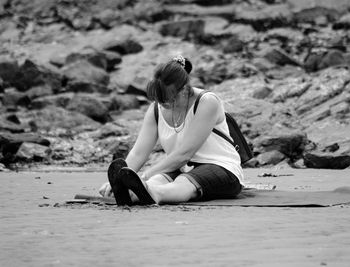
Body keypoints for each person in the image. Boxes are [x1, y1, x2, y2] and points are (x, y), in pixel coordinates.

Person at [99, 55, 244, 205]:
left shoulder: (207, 102)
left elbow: (184, 154)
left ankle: (154, 194)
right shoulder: (156, 108)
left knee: (183, 182)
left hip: (222, 168)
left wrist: (142, 177)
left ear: (183, 90)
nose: (164, 104)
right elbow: (138, 153)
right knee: (158, 179)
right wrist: (119, 181)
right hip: (181, 168)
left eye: (169, 99)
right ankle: (137, 192)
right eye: (161, 99)